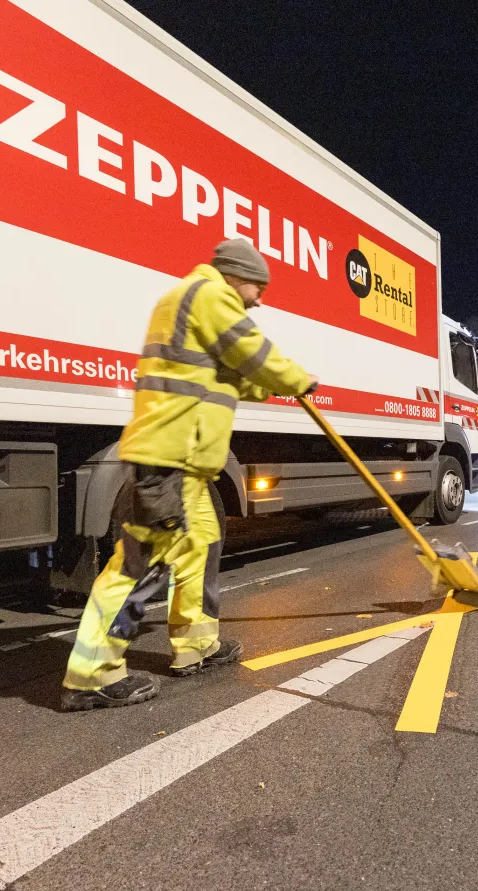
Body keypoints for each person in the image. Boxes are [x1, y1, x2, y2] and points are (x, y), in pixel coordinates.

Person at [62, 239, 315, 711]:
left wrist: (271, 386)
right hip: (167, 462)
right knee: (142, 566)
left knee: (201, 547)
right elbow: (254, 351)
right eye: (257, 288)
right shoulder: (206, 295)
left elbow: (239, 377)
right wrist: (297, 379)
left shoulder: (196, 313)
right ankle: (91, 674)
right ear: (237, 276)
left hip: (191, 469)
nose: (259, 300)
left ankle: (197, 646)